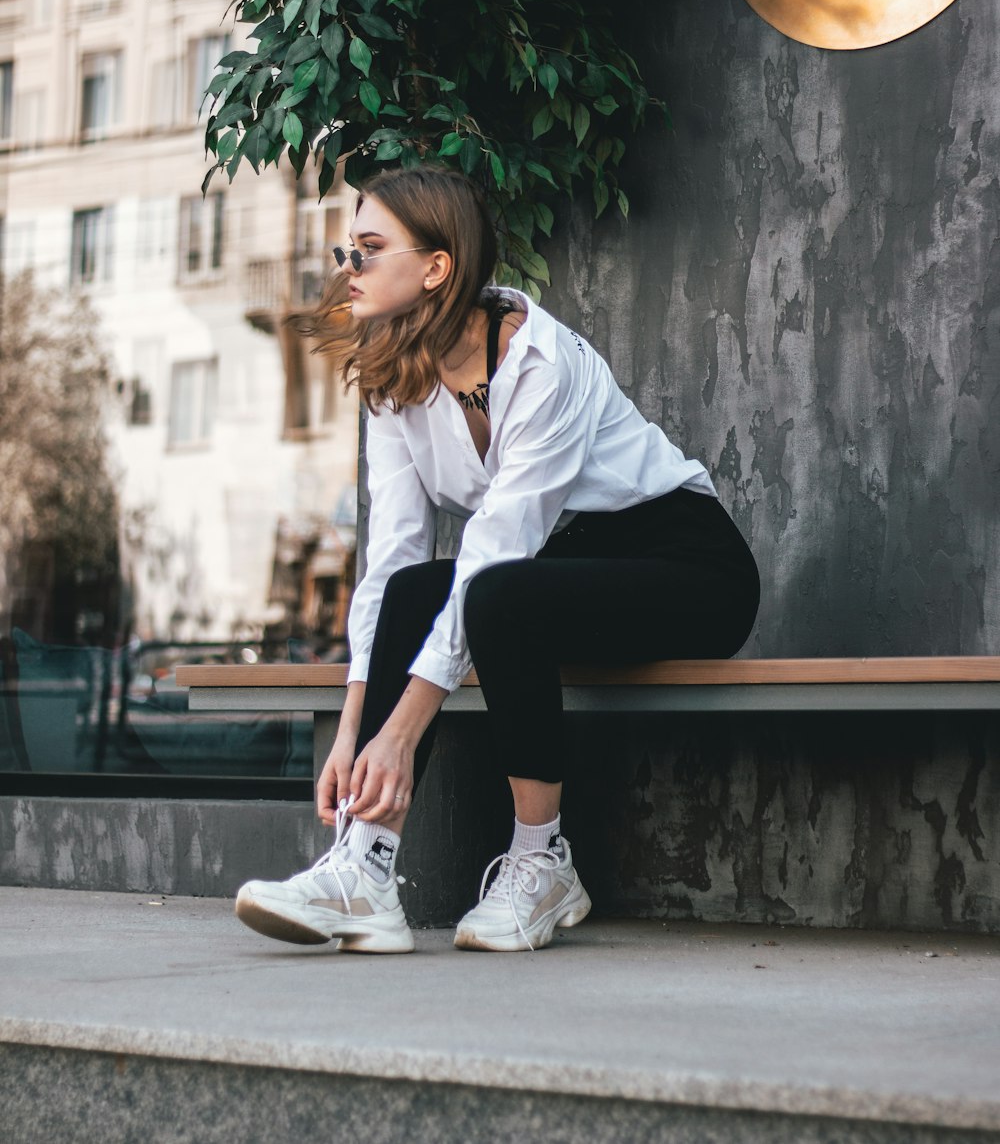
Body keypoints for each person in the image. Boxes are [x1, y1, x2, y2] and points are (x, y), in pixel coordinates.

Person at [235, 165, 760, 953]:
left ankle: (542, 860)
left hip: (686, 565)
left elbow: (496, 551)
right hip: (562, 569)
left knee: (499, 594)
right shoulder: (392, 381)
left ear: (436, 266)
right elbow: (392, 560)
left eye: (369, 250)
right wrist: (353, 731)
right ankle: (365, 869)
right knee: (420, 588)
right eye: (348, 250)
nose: (349, 269)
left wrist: (402, 734)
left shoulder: (543, 364)